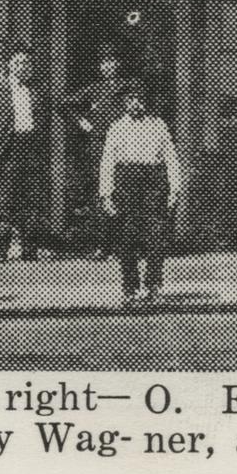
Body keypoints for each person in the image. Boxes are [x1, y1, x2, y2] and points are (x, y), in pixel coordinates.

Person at [100, 86, 181, 305]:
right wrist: (106, 195)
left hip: (153, 182)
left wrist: (175, 189)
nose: (136, 103)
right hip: (126, 182)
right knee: (127, 236)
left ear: (146, 102)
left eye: (140, 99)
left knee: (155, 235)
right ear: (124, 103)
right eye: (131, 99)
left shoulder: (158, 125)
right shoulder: (116, 128)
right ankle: (130, 287)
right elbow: (107, 163)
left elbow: (171, 158)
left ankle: (154, 285)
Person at [65, 48, 141, 251]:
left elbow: (139, 110)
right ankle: (102, 245)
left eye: (112, 61)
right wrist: (83, 123)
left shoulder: (130, 87)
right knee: (102, 195)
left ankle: (124, 245)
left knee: (125, 193)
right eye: (104, 62)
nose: (108, 66)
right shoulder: (93, 89)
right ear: (100, 66)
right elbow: (65, 105)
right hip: (99, 148)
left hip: (125, 148)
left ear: (118, 64)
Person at [0, 47, 48, 261]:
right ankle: (1, 250)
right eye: (18, 62)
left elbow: (43, 122)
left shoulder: (37, 91)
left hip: (30, 147)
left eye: (26, 63)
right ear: (9, 65)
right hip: (7, 150)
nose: (22, 67)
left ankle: (29, 249)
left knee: (31, 200)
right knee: (5, 201)